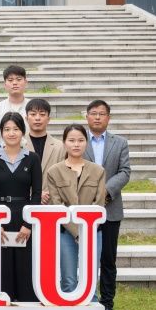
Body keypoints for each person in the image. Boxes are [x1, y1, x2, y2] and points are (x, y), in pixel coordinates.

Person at [0, 112, 42, 302]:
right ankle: (3, 303)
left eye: (16, 129)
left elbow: (37, 194)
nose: (11, 133)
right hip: (0, 217)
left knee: (25, 264)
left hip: (24, 216)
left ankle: (26, 304)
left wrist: (28, 224)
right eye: (7, 129)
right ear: (1, 132)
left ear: (22, 131)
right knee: (2, 264)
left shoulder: (32, 158)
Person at [83, 100, 130, 310]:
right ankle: (85, 298)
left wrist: (106, 191)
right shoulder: (78, 140)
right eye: (93, 113)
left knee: (108, 260)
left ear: (108, 118)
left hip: (110, 209)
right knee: (85, 257)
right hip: (83, 209)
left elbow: (125, 172)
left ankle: (107, 303)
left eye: (102, 114)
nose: (97, 117)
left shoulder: (120, 143)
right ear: (87, 117)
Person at [47, 124, 106, 295]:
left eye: (80, 140)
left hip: (93, 231)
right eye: (71, 140)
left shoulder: (98, 171)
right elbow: (57, 205)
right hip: (66, 231)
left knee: (91, 280)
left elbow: (99, 204)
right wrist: (77, 232)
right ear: (64, 142)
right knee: (68, 279)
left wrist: (87, 231)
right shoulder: (54, 171)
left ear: (86, 142)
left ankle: (92, 309)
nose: (76, 144)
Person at [25, 99, 66, 205]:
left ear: (48, 119)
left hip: (52, 203)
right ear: (27, 118)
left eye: (42, 114)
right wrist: (35, 194)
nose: (37, 118)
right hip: (26, 203)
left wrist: (47, 193)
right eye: (33, 114)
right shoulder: (19, 146)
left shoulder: (60, 147)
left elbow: (63, 176)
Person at [0, 66, 30, 145]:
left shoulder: (33, 109)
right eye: (10, 80)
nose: (15, 83)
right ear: (5, 84)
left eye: (19, 79)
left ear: (25, 82)